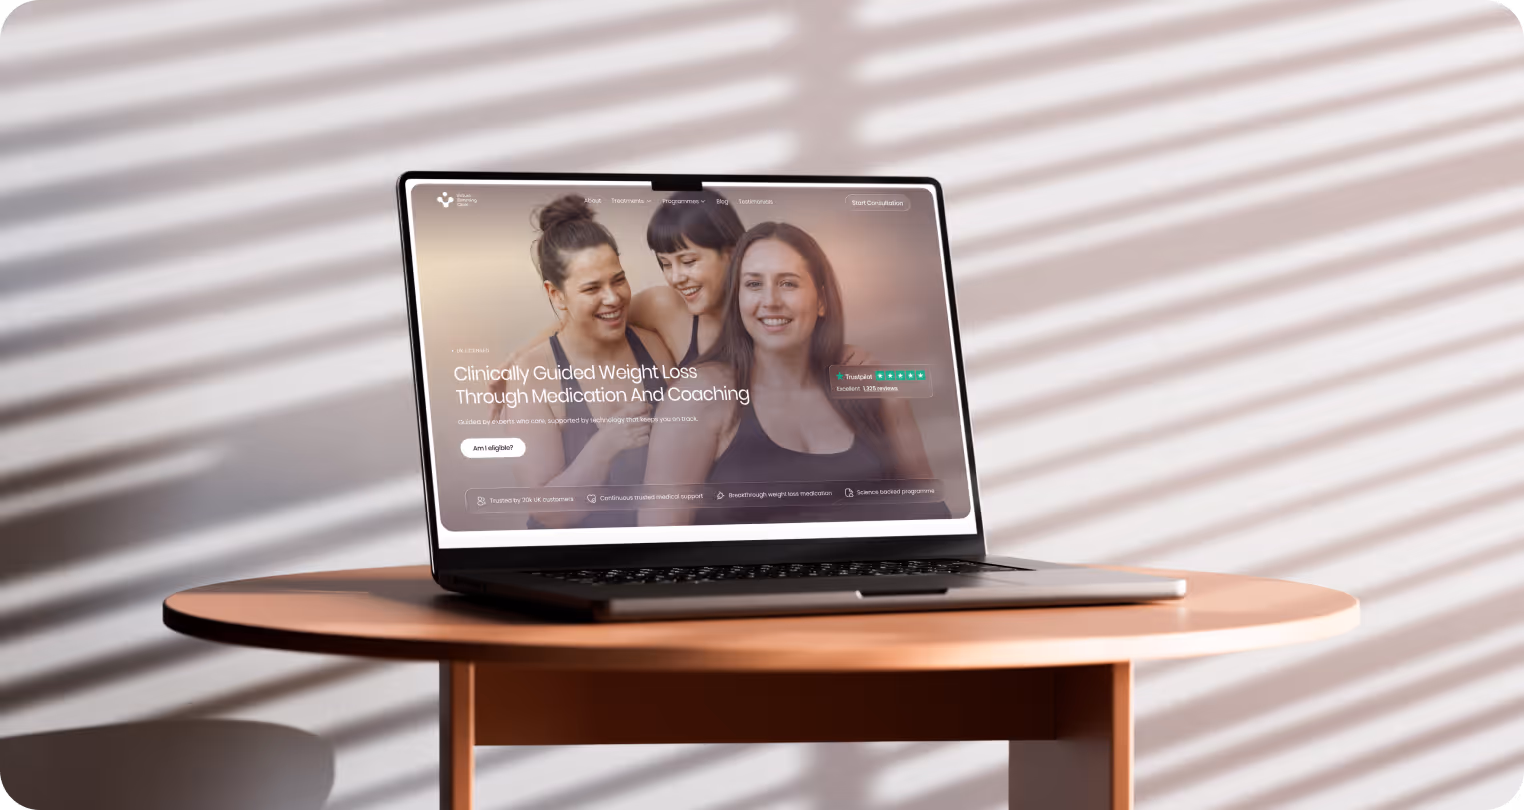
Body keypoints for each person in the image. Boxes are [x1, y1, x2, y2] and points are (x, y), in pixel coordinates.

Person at [640, 222, 940, 526]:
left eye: (788, 283)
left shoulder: (872, 386)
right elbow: (658, 542)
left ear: (821, 301)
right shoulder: (699, 395)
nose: (770, 301)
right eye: (754, 284)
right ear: (738, 300)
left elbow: (930, 513)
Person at [501, 195, 674, 528]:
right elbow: (551, 513)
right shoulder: (532, 375)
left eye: (618, 279)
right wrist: (605, 446)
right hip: (570, 562)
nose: (613, 298)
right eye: (592, 288)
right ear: (556, 295)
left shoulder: (651, 346)